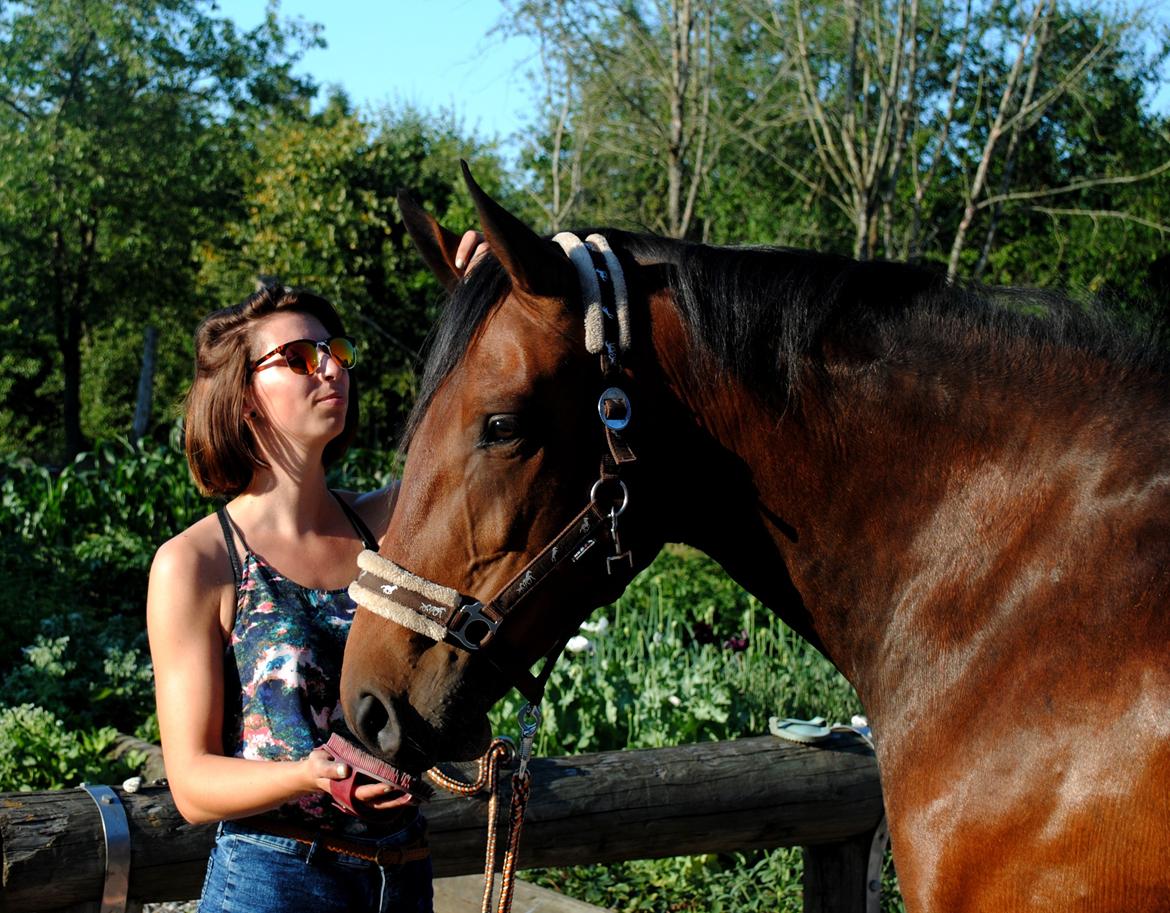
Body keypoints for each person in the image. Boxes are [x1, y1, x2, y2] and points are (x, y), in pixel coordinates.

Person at [147, 233, 483, 913]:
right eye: (298, 358)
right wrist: (308, 774)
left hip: (403, 875)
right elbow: (190, 781)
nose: (329, 368)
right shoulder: (200, 561)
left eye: (335, 351)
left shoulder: (388, 527)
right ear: (245, 399)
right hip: (274, 878)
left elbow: (470, 435)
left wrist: (478, 303)